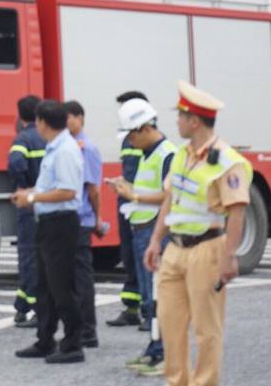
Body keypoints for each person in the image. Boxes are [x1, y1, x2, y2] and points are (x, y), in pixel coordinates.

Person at [143, 81, 251, 386]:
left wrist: (230, 256)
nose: (176, 121)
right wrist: (155, 241)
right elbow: (169, 199)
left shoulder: (227, 161)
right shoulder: (180, 155)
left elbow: (238, 211)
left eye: (180, 115)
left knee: (207, 330)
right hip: (175, 248)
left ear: (194, 120)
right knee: (171, 326)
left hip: (207, 249)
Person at [12, 99, 86, 365]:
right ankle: (45, 339)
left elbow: (67, 191)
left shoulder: (64, 150)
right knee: (44, 286)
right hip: (49, 222)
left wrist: (32, 200)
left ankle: (73, 343)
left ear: (43, 123)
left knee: (61, 286)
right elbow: (50, 186)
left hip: (61, 223)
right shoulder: (55, 147)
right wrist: (29, 193)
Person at [109, 97, 177, 376]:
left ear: (144, 128)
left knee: (161, 295)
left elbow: (169, 195)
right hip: (142, 229)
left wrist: (132, 194)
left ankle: (165, 355)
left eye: (131, 136)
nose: (129, 142)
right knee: (150, 296)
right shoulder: (150, 152)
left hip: (155, 232)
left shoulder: (167, 153)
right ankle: (154, 349)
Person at [64, 100, 105, 349]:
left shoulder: (86, 148)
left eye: (69, 117)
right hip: (73, 219)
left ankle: (88, 331)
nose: (66, 122)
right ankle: (81, 329)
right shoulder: (70, 146)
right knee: (72, 277)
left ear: (80, 118)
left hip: (82, 219)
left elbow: (93, 189)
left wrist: (98, 219)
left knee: (81, 278)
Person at [108, 90, 146, 327]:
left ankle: (150, 311)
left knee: (144, 259)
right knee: (129, 256)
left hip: (143, 205)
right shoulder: (127, 139)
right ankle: (132, 307)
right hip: (127, 203)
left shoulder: (151, 141)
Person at [8, 94, 45, 327]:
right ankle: (22, 306)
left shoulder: (23, 138)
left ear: (20, 116)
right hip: (47, 201)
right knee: (40, 256)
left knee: (29, 256)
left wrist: (23, 184)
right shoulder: (46, 137)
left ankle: (35, 308)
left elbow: (15, 162)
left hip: (29, 204)